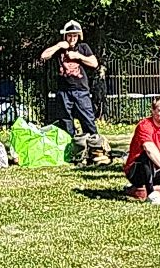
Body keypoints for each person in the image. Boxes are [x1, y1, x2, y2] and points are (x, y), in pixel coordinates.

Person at [38, 21, 109, 165]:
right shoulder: (59, 48)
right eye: (69, 36)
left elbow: (95, 63)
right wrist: (59, 46)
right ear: (65, 36)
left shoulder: (83, 48)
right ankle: (72, 151)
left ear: (78, 36)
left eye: (75, 36)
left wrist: (78, 56)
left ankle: (95, 150)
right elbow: (44, 56)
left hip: (81, 90)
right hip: (64, 91)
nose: (72, 39)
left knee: (88, 120)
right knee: (66, 122)